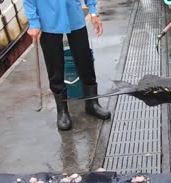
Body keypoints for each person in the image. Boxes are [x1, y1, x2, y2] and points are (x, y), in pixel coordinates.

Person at [23, 0, 111, 131]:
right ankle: (62, 111)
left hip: (74, 16)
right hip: (48, 21)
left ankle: (92, 103)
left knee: (85, 60)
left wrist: (93, 12)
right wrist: (34, 21)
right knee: (55, 67)